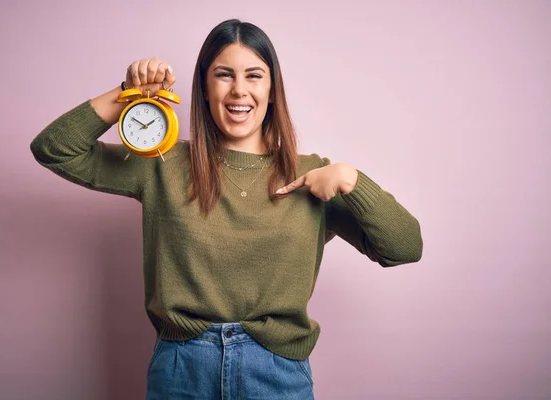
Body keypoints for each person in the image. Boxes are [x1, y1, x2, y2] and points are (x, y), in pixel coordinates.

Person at [30, 18, 422, 400]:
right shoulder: (162, 164)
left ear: (272, 89)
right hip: (182, 368)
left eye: (254, 75)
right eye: (223, 75)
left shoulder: (312, 176)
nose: (239, 91)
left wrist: (352, 180)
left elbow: (404, 248)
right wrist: (128, 93)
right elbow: (54, 148)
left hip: (277, 372)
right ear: (204, 87)